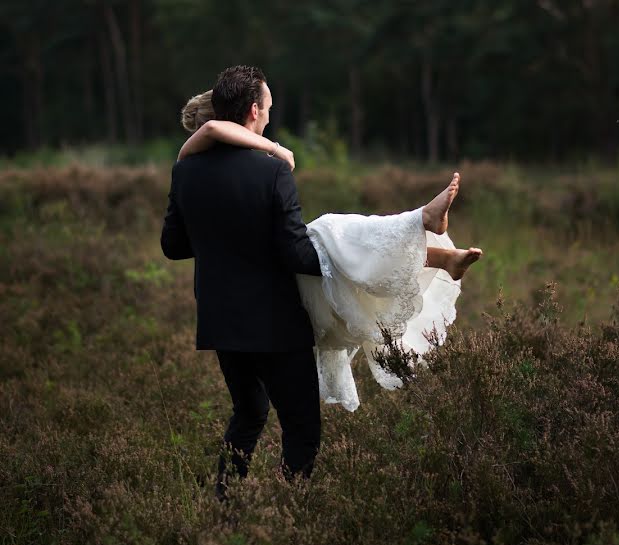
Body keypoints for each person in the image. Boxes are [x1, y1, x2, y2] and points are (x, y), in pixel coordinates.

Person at [163, 66, 480, 496]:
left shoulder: (187, 172)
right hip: (274, 324)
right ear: (254, 110)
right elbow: (296, 254)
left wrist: (227, 240)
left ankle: (223, 504)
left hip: (222, 322)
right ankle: (288, 516)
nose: (271, 117)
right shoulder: (271, 171)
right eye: (269, 109)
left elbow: (174, 245)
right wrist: (340, 258)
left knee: (250, 412)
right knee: (302, 431)